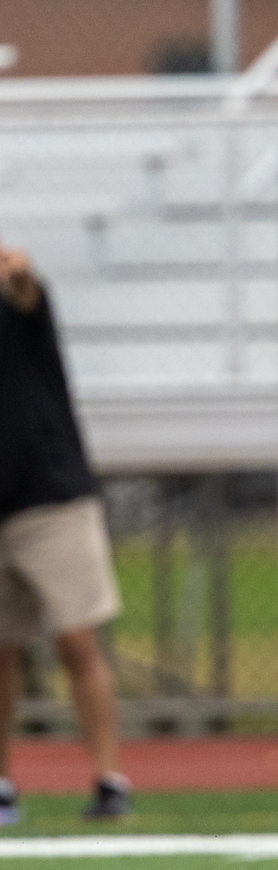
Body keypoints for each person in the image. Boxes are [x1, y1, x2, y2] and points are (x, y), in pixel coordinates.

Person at [0, 242, 132, 824]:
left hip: (49, 497)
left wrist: (22, 275)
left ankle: (108, 779)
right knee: (2, 650)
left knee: (76, 640)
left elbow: (26, 291)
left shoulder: (17, 304)